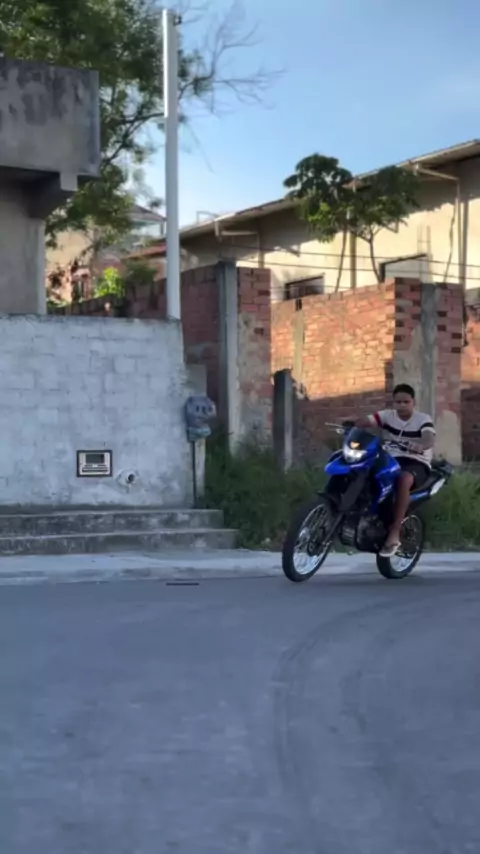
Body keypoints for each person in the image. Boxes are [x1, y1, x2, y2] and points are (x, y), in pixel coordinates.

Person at [353, 383, 436, 558]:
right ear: (393, 403)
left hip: (416, 462)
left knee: (403, 479)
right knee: (364, 471)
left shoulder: (423, 419)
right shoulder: (387, 416)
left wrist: (420, 445)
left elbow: (428, 438)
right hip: (391, 460)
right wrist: (355, 426)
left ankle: (395, 531)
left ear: (413, 402)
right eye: (398, 402)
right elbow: (366, 421)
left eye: (406, 402)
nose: (402, 405)